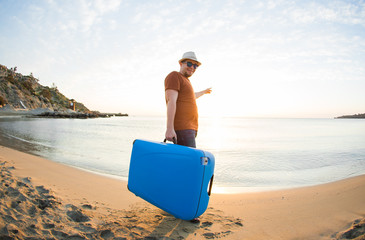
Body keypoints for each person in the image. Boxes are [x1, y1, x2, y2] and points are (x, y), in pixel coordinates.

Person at [164, 51, 211, 149]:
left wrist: (204, 92)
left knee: (184, 162)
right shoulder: (174, 76)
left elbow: (192, 97)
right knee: (189, 163)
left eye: (195, 66)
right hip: (183, 129)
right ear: (181, 64)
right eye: (189, 64)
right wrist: (169, 128)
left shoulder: (186, 81)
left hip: (190, 129)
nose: (192, 67)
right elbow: (170, 101)